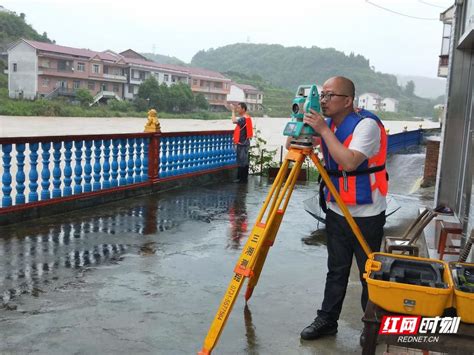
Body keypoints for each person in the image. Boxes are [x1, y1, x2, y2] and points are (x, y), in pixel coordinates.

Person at [298, 76, 388, 346]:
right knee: (336, 269)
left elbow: (349, 162)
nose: (323, 100)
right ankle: (327, 319)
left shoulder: (367, 126)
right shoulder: (330, 125)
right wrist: (303, 128)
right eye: (321, 95)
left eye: (329, 95)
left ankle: (371, 324)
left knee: (367, 272)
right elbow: (308, 142)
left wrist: (322, 131)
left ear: (347, 100)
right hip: (337, 208)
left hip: (367, 213)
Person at [231, 102, 253, 183]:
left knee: (241, 161)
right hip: (245, 142)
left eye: (238, 108)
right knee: (244, 161)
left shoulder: (243, 119)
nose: (237, 109)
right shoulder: (247, 117)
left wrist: (232, 111)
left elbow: (234, 121)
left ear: (243, 109)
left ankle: (241, 179)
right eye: (236, 108)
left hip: (242, 143)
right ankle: (243, 178)